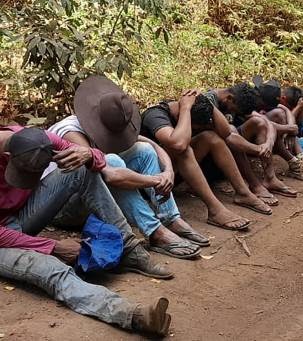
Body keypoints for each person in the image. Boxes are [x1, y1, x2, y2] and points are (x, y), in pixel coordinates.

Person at [0, 127, 174, 336]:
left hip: (20, 216)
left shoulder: (39, 140)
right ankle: (132, 314)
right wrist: (52, 247)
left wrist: (89, 154)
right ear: (8, 155)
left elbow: (100, 164)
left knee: (81, 169)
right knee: (50, 268)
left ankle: (129, 250)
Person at [48, 76, 206, 259]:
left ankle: (171, 218)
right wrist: (156, 180)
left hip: (93, 197)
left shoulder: (111, 122)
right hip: (63, 208)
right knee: (112, 161)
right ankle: (155, 232)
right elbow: (111, 175)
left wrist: (168, 172)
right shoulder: (70, 132)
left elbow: (151, 146)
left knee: (143, 150)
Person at [140, 91, 270, 231]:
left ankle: (243, 193)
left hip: (172, 174)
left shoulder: (191, 107)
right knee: (183, 149)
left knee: (212, 138)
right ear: (180, 115)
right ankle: (215, 210)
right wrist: (185, 109)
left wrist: (206, 101)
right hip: (150, 182)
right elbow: (178, 144)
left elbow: (226, 132)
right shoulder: (155, 115)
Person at [203, 83, 297, 203]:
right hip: (208, 159)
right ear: (230, 98)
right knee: (231, 130)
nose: (232, 112)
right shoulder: (208, 102)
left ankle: (270, 179)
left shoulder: (236, 99)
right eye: (233, 109)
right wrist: (258, 149)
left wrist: (268, 143)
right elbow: (229, 136)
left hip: (228, 149)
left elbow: (267, 123)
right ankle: (255, 185)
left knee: (259, 122)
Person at [252, 78, 303, 182]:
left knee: (297, 123)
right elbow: (261, 123)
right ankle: (296, 162)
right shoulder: (252, 101)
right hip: (252, 138)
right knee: (280, 119)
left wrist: (291, 128)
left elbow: (287, 112)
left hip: (275, 133)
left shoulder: (269, 97)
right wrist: (289, 128)